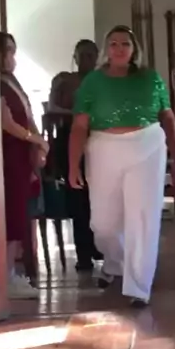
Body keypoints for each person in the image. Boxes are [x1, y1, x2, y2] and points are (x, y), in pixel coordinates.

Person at [68, 25, 175, 308]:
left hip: (147, 146)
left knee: (142, 217)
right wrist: (73, 165)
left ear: (134, 50)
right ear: (106, 50)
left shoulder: (151, 79)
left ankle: (139, 286)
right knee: (103, 224)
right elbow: (80, 125)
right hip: (104, 148)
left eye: (125, 44)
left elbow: (168, 117)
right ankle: (115, 262)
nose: (119, 49)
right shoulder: (93, 82)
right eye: (114, 44)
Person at [0, 32, 49, 299]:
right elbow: (6, 122)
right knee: (12, 216)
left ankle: (13, 273)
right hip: (7, 156)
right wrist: (35, 139)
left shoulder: (11, 81)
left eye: (12, 51)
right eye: (6, 50)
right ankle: (5, 277)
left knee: (21, 215)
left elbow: (28, 116)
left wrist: (39, 144)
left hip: (22, 156)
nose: (11, 57)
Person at [48, 40, 102, 272]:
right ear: (75, 57)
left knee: (100, 198)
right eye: (82, 55)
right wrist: (76, 115)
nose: (86, 60)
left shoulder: (104, 81)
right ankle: (83, 253)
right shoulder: (64, 80)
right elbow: (51, 108)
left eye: (91, 55)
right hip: (70, 141)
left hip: (99, 141)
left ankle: (99, 245)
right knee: (78, 198)